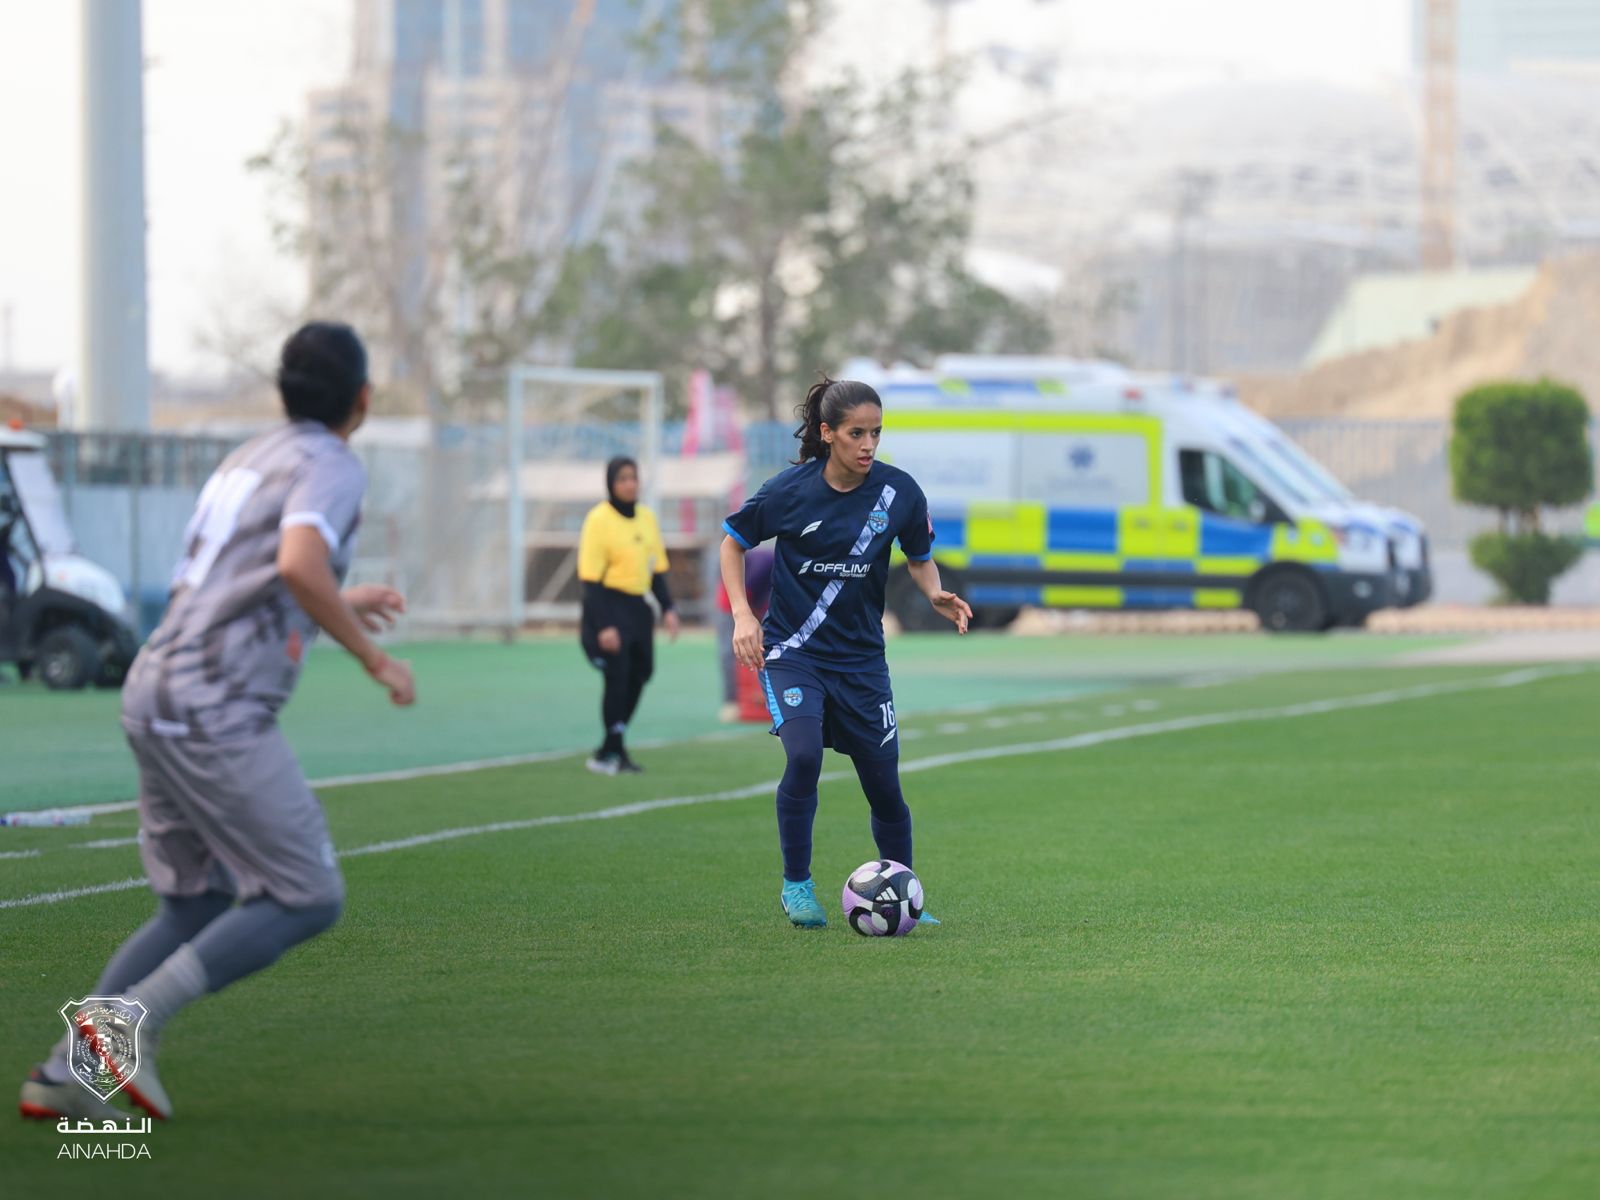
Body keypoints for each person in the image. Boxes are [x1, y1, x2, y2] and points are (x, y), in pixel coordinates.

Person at [19, 321, 415, 1124]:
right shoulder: (330, 462)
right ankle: (127, 1029)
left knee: (197, 902)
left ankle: (67, 1072)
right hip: (213, 704)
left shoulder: (251, 454)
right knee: (307, 895)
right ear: (363, 399)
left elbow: (239, 575)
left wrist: (342, 600)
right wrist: (374, 659)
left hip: (156, 687)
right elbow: (297, 563)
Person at [719, 376, 971, 929]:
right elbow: (732, 543)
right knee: (804, 756)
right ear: (828, 432)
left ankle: (902, 892)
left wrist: (933, 593)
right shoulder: (789, 491)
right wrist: (742, 615)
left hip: (862, 663)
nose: (868, 444)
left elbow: (919, 556)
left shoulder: (899, 493)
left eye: (876, 433)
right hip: (794, 653)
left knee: (885, 788)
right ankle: (796, 885)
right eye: (857, 433)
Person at [577, 456, 679, 775]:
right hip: (608, 605)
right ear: (611, 483)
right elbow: (590, 581)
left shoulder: (647, 518)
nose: (629, 484)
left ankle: (610, 747)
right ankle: (613, 750)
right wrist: (604, 625)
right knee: (617, 677)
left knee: (641, 673)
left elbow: (656, 570)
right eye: (622, 479)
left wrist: (668, 608)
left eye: (633, 477)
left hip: (637, 608)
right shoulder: (599, 519)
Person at [714, 544, 773, 721]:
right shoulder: (766, 564)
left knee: (767, 646)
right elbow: (745, 593)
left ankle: (769, 698)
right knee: (729, 650)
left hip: (757, 602)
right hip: (733, 598)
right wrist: (747, 620)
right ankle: (731, 701)